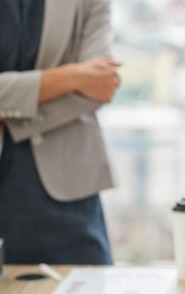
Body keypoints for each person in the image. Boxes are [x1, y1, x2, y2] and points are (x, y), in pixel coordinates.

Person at [0, 0, 120, 264]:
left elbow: (100, 86)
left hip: (70, 202)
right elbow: (86, 81)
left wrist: (8, 104)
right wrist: (71, 77)